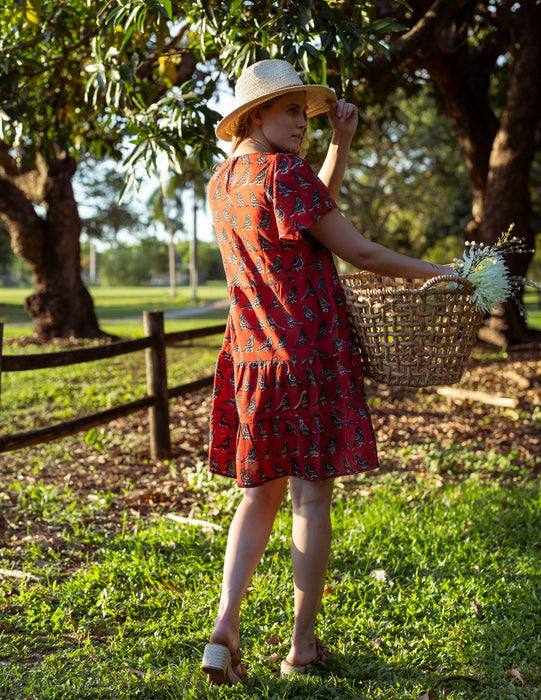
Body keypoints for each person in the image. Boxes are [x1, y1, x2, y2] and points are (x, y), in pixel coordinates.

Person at [201, 59, 453, 685]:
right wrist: (446, 273)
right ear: (255, 115)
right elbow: (359, 250)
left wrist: (339, 143)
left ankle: (225, 627)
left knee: (258, 495)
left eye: (306, 115)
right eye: (292, 111)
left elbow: (312, 211)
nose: (302, 125)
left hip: (252, 355)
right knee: (310, 497)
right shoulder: (284, 172)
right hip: (307, 353)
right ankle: (301, 646)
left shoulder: (224, 179)